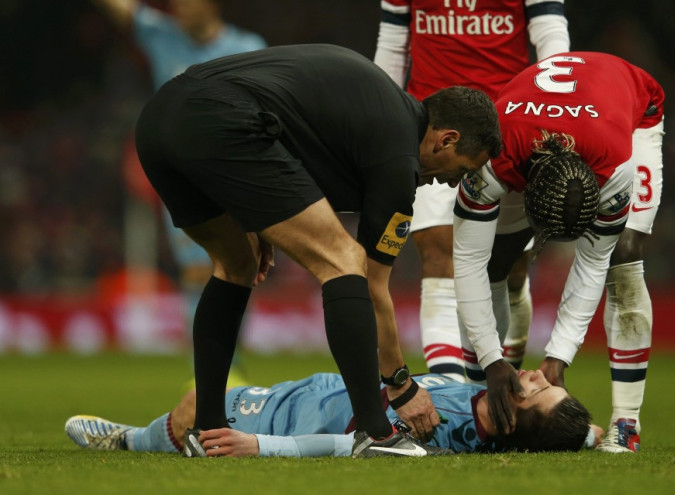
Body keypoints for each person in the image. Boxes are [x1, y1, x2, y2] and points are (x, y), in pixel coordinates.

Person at [134, 43, 503, 457]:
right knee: (344, 261)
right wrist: (400, 385)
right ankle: (376, 436)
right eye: (464, 169)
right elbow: (373, 285)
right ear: (446, 139)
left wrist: (262, 223)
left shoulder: (375, 109)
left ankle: (208, 429)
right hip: (225, 123)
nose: (454, 183)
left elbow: (288, 137)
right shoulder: (400, 159)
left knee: (236, 264)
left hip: (159, 120)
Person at [452, 52, 664, 453]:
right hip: (535, 128)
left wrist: (559, 357)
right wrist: (491, 361)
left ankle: (626, 424)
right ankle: (478, 398)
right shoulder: (494, 157)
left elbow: (592, 260)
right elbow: (467, 261)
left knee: (623, 256)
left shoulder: (616, 168)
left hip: (634, 111)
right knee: (496, 259)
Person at [373, 0, 571, 381]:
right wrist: (383, 123)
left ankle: (504, 380)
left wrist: (550, 109)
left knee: (509, 267)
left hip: (505, 126)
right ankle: (452, 391)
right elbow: (394, 43)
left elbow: (550, 37)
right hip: (430, 126)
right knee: (437, 253)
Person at [91, 0, 266, 383]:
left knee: (241, 266)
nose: (180, 8)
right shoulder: (160, 33)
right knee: (198, 272)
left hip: (233, 174)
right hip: (182, 177)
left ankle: (228, 364)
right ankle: (214, 372)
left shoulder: (248, 46)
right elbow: (120, 9)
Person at [65, 368, 593, 457]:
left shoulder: (446, 434)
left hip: (288, 421)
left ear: (510, 421)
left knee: (195, 408)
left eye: (535, 391)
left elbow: (356, 447)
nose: (535, 376)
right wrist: (595, 433)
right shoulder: (485, 394)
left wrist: (260, 447)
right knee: (205, 402)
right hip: (311, 389)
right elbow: (560, 430)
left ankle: (130, 440)